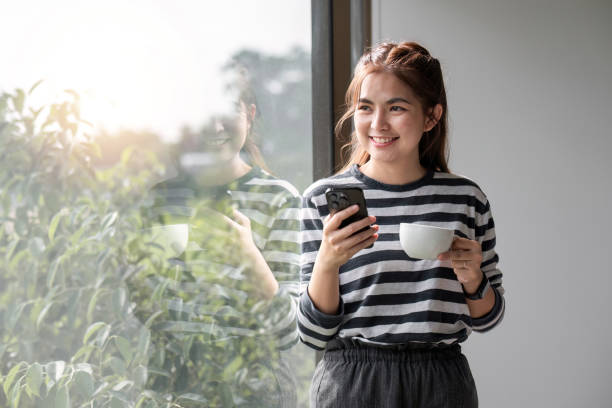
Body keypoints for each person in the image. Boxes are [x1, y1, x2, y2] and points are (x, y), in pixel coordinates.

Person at [298, 41, 505, 407]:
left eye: (396, 107)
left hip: (441, 383)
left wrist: (473, 276)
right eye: (365, 108)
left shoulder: (466, 199)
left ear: (431, 116)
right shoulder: (321, 200)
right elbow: (313, 334)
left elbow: (488, 320)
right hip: (351, 383)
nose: (378, 124)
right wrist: (328, 261)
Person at [134, 65, 301, 407]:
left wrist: (248, 256)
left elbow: (289, 332)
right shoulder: (161, 198)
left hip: (255, 389)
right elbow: (144, 311)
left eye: (228, 110)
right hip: (173, 385)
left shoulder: (280, 199)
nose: (215, 125)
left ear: (249, 115)